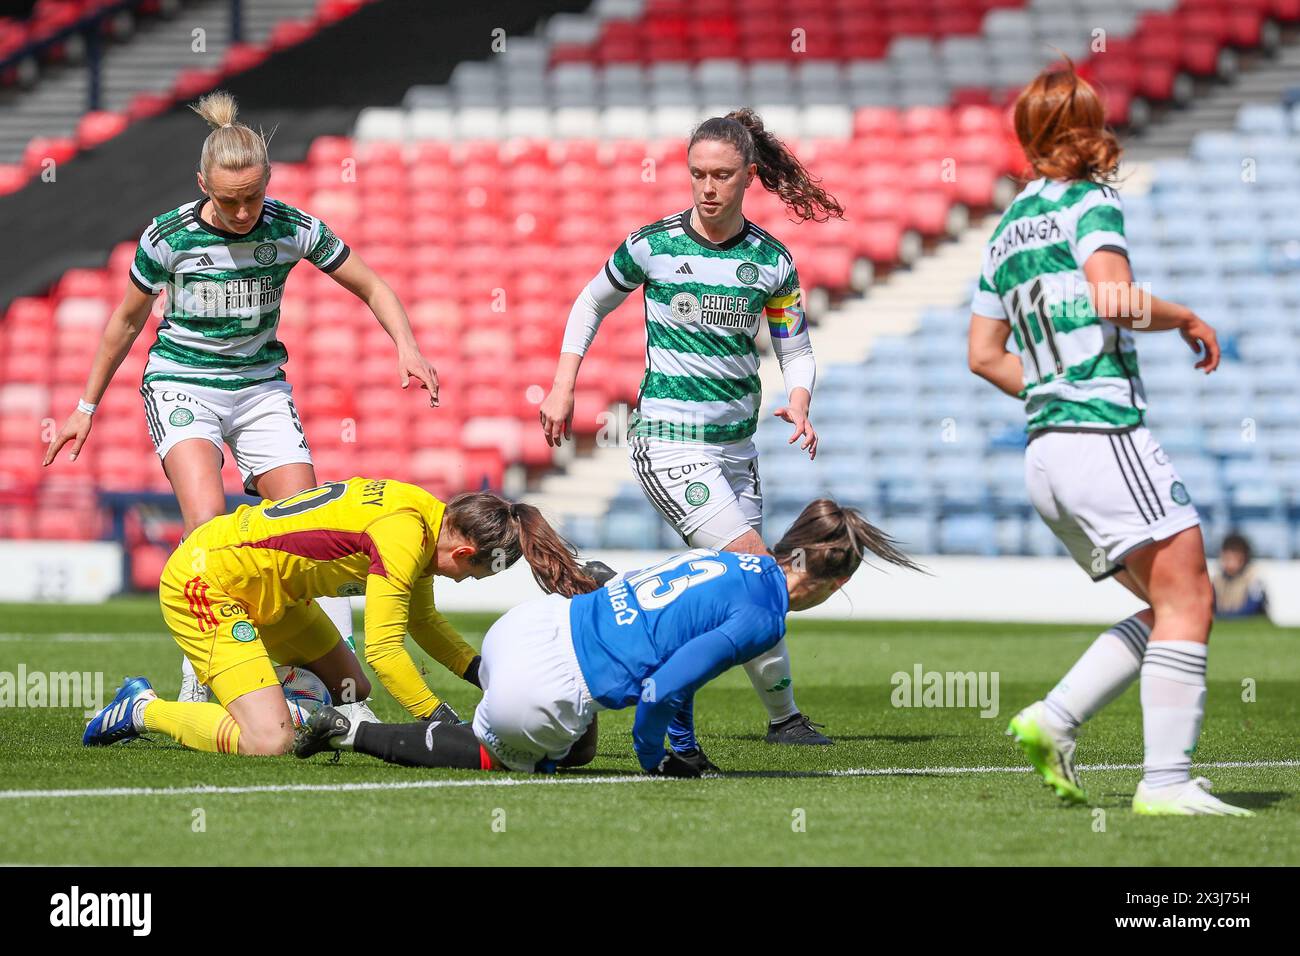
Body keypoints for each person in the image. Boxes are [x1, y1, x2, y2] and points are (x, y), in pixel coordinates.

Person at [42, 91, 440, 711]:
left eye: (252, 195)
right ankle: (204, 674)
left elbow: (370, 283)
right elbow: (123, 324)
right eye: (228, 198)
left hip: (259, 389)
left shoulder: (292, 228)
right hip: (183, 384)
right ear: (202, 182)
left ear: (267, 182)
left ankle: (339, 685)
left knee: (316, 528)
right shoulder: (166, 237)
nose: (241, 209)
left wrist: (406, 345)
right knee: (209, 530)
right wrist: (85, 408)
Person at [967, 63, 1250, 816]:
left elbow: (982, 353)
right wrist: (1186, 315)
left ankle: (1055, 720)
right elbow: (1112, 297)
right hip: (1101, 432)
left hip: (1047, 452)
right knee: (1192, 593)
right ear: (1087, 128)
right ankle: (1165, 784)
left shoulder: (1004, 228)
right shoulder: (1089, 202)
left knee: (1171, 605)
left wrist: (1049, 389)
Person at [539, 109, 843, 746]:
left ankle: (601, 589)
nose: (707, 187)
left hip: (737, 445)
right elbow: (591, 299)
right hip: (669, 441)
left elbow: (794, 342)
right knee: (759, 573)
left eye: (722, 175)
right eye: (698, 174)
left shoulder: (770, 261)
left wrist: (800, 394)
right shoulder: (653, 245)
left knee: (737, 584)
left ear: (747, 176)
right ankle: (782, 721)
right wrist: (565, 382)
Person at [295, 499, 921, 775]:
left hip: (530, 626)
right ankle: (353, 729)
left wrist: (686, 743)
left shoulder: (732, 559)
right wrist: (658, 759)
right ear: (830, 585)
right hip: (547, 685)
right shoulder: (766, 617)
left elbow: (682, 672)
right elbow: (667, 686)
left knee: (578, 741)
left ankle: (565, 627)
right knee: (509, 751)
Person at [82, 478, 597, 756]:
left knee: (354, 689)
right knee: (269, 742)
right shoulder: (403, 537)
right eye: (475, 575)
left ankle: (281, 698)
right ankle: (142, 708)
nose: (467, 582)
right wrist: (444, 724)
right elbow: (385, 649)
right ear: (463, 554)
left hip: (271, 589)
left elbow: (423, 624)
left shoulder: (427, 517)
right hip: (209, 581)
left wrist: (484, 675)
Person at [1212, 532, 1269, 619]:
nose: (1230, 562)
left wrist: (1224, 617)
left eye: (1234, 557)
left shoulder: (1253, 579)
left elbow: (1251, 609)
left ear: (1244, 557)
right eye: (1227, 557)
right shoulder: (1217, 581)